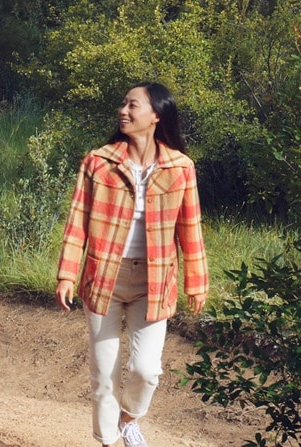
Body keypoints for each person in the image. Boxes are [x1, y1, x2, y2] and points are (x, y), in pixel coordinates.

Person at [56, 82, 208, 447]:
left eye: (132, 105)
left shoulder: (180, 167)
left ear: (156, 116)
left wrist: (197, 282)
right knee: (103, 374)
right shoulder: (99, 161)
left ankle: (129, 418)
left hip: (155, 281)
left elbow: (191, 226)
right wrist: (66, 274)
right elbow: (77, 221)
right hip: (104, 277)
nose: (123, 111)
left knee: (146, 370)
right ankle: (108, 440)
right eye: (122, 104)